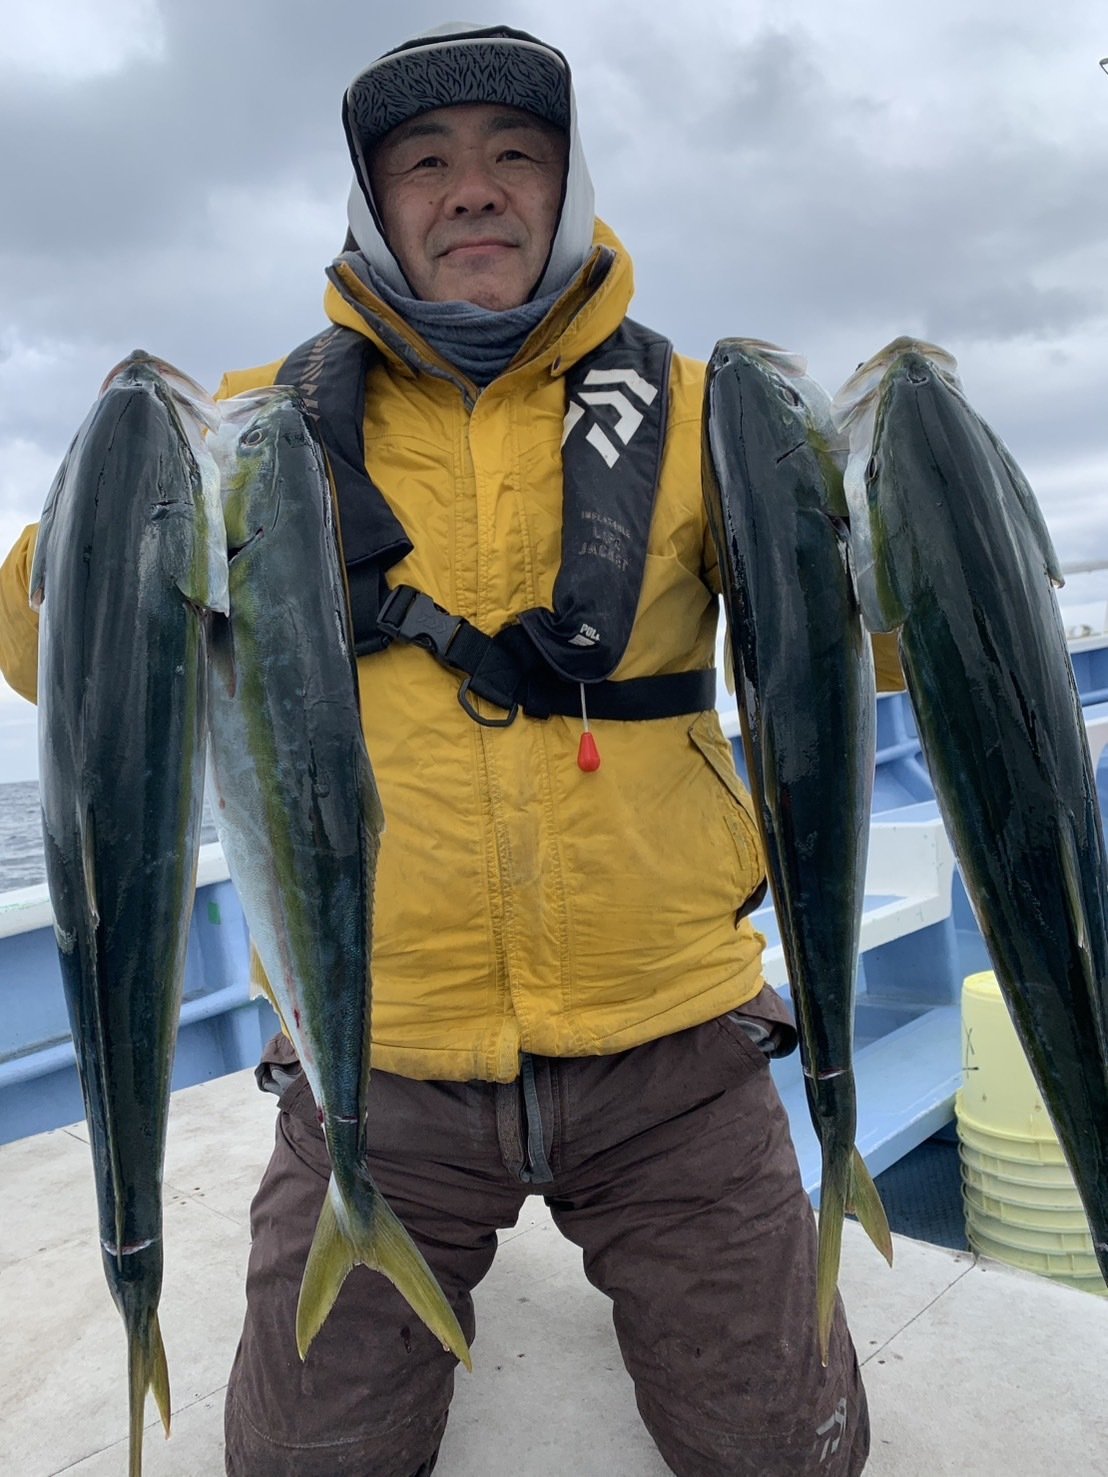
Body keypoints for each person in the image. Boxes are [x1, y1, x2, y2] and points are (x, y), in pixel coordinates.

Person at [0, 22, 904, 1477]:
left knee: (792, 1456)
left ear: (568, 184)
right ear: (375, 205)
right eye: (425, 162)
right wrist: (107, 495)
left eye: (516, 155)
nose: (473, 188)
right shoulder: (246, 432)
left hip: (673, 1045)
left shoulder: (704, 416)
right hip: (379, 1062)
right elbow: (54, 658)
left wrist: (907, 516)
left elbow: (874, 660)